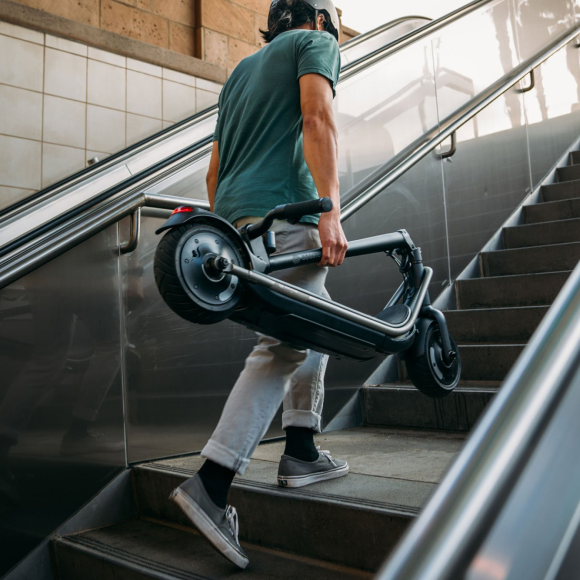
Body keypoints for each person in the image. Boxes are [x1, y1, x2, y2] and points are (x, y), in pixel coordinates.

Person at [170, 0, 348, 569]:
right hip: (290, 217)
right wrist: (331, 210)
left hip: (238, 226)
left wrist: (224, 229)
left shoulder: (240, 74)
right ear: (319, 21)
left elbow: (214, 169)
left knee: (316, 322)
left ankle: (300, 448)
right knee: (285, 345)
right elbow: (318, 118)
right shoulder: (315, 45)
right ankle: (213, 483)